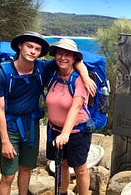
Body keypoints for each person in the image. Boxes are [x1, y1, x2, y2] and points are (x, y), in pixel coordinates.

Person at [0, 31, 96, 195]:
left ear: (40, 53)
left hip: (33, 127)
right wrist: (5, 141)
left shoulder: (42, 67)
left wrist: (85, 76)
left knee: (26, 169)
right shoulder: (3, 74)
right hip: (12, 128)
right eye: (29, 46)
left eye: (37, 49)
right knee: (8, 176)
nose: (32, 51)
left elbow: (72, 60)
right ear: (20, 46)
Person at [46, 38, 92, 195]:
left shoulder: (80, 81)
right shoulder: (53, 75)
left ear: (74, 59)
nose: (63, 57)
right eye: (60, 53)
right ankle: (63, 192)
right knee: (62, 165)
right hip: (54, 130)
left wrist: (65, 133)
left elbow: (76, 107)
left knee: (79, 169)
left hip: (77, 133)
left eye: (68, 54)